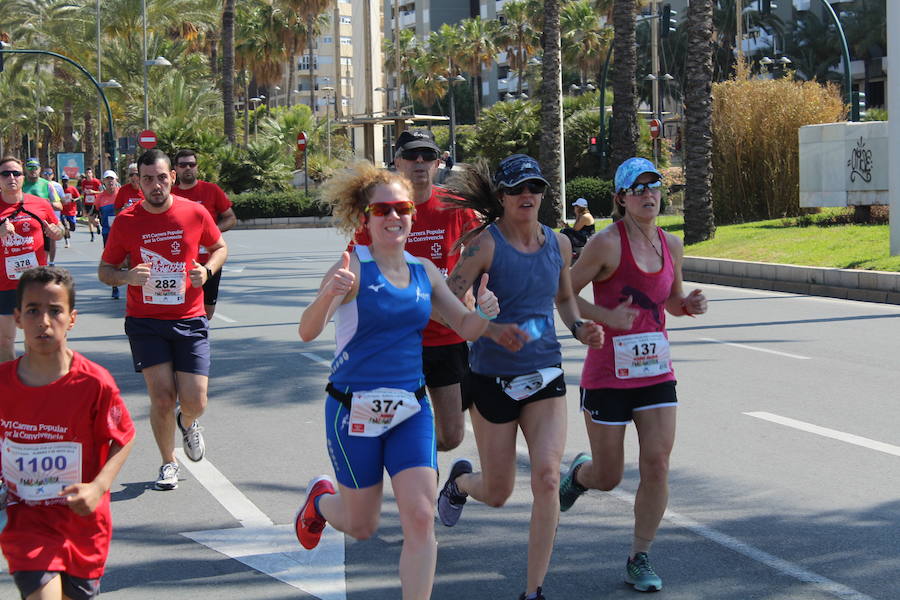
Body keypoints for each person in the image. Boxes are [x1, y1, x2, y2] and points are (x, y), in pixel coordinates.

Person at [294, 161, 499, 600]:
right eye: (382, 210)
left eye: (401, 208)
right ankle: (320, 503)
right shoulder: (352, 267)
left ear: (412, 213)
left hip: (410, 408)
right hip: (353, 410)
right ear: (365, 216)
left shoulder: (424, 271)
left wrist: (483, 312)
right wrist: (330, 293)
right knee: (361, 524)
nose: (393, 218)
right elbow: (307, 331)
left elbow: (463, 326)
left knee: (421, 519)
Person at [436, 155, 604, 600]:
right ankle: (459, 483)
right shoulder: (483, 246)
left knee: (548, 478)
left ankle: (534, 592)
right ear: (503, 198)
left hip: (545, 373)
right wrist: (478, 313)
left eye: (534, 188)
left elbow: (565, 299)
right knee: (496, 492)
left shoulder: (560, 245)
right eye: (515, 190)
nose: (526, 196)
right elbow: (444, 303)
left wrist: (579, 328)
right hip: (491, 377)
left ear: (543, 194)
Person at [559, 157, 708, 593]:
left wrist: (688, 305)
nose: (648, 194)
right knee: (608, 476)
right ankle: (581, 475)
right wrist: (602, 317)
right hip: (608, 373)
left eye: (654, 186)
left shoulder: (671, 244)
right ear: (621, 198)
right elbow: (563, 290)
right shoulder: (606, 244)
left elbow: (670, 300)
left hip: (656, 372)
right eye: (637, 188)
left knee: (657, 464)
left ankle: (639, 556)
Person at [0, 266, 135, 600]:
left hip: (83, 524)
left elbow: (124, 437)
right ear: (18, 318)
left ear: (72, 319)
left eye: (55, 311)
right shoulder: (3, 382)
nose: (44, 321)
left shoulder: (94, 382)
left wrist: (98, 487)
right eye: (33, 310)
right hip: (27, 521)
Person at [97, 149, 227, 491]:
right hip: (145, 320)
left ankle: (188, 421)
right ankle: (168, 462)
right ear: (138, 182)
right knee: (161, 397)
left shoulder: (195, 212)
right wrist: (127, 278)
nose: (156, 185)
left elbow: (220, 247)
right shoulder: (127, 221)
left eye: (161, 177)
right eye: (148, 179)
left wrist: (206, 270)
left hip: (189, 317)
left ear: (172, 177)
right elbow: (105, 271)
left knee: (196, 400)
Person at [351, 130, 479, 452]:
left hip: (447, 338)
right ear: (397, 162)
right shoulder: (380, 212)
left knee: (451, 436)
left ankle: (419, 464)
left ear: (438, 162)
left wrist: (477, 292)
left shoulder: (457, 206)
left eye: (427, 155)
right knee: (390, 429)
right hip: (398, 339)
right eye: (411, 155)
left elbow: (483, 254)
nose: (419, 162)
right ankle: (413, 475)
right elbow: (359, 268)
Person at [0, 156, 64, 362]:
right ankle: (10, 390)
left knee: (37, 340)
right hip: (4, 285)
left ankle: (36, 388)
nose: (11, 177)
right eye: (5, 174)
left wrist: (57, 231)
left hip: (35, 283)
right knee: (5, 341)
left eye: (16, 173)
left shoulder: (40, 204)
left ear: (23, 177)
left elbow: (59, 229)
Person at [173, 149, 236, 320]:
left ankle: (200, 336)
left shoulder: (211, 190)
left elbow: (230, 218)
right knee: (180, 305)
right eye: (183, 165)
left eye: (191, 164)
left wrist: (211, 232)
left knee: (207, 310)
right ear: (175, 169)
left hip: (210, 261)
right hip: (179, 263)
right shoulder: (170, 195)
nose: (188, 168)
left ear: (197, 167)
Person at [22, 159, 63, 266]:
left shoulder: (47, 185)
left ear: (40, 169)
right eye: (30, 167)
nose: (33, 170)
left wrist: (43, 203)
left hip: (43, 223)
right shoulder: (20, 183)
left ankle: (50, 263)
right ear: (25, 169)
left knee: (46, 247)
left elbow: (59, 206)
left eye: (35, 167)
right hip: (23, 223)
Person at [96, 171, 121, 299]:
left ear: (116, 180)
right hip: (107, 232)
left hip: (123, 232)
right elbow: (95, 212)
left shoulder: (122, 194)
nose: (110, 181)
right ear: (103, 181)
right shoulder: (100, 197)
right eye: (107, 179)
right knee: (111, 259)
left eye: (112, 179)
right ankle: (114, 287)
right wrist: (93, 219)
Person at [79, 168, 102, 242]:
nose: (88, 174)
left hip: (95, 202)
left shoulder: (96, 182)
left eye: (89, 172)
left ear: (92, 174)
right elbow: (82, 193)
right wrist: (82, 196)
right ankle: (92, 235)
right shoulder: (84, 182)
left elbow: (102, 192)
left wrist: (93, 191)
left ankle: (97, 224)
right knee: (89, 219)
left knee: (93, 218)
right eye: (87, 173)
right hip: (87, 203)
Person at [59, 174, 80, 249]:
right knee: (65, 226)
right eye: (63, 181)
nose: (65, 182)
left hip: (71, 211)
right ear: (62, 181)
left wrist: (74, 200)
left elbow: (78, 197)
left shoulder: (72, 189)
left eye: (66, 181)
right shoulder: (60, 189)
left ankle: (68, 231)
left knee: (73, 227)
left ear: (68, 181)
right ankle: (67, 240)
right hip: (63, 211)